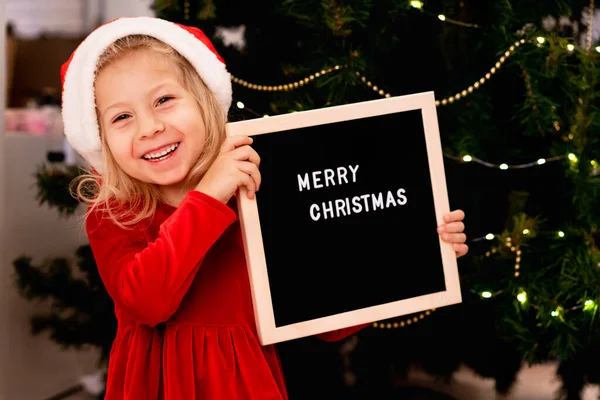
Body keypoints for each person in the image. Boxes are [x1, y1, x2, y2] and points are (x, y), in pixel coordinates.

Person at [60, 16, 469, 400]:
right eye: (122, 117)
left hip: (244, 382)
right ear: (100, 138)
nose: (149, 127)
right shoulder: (114, 213)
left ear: (204, 101)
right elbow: (147, 302)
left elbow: (327, 311)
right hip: (155, 387)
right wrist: (209, 198)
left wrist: (421, 248)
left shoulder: (255, 192)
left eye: (164, 99)